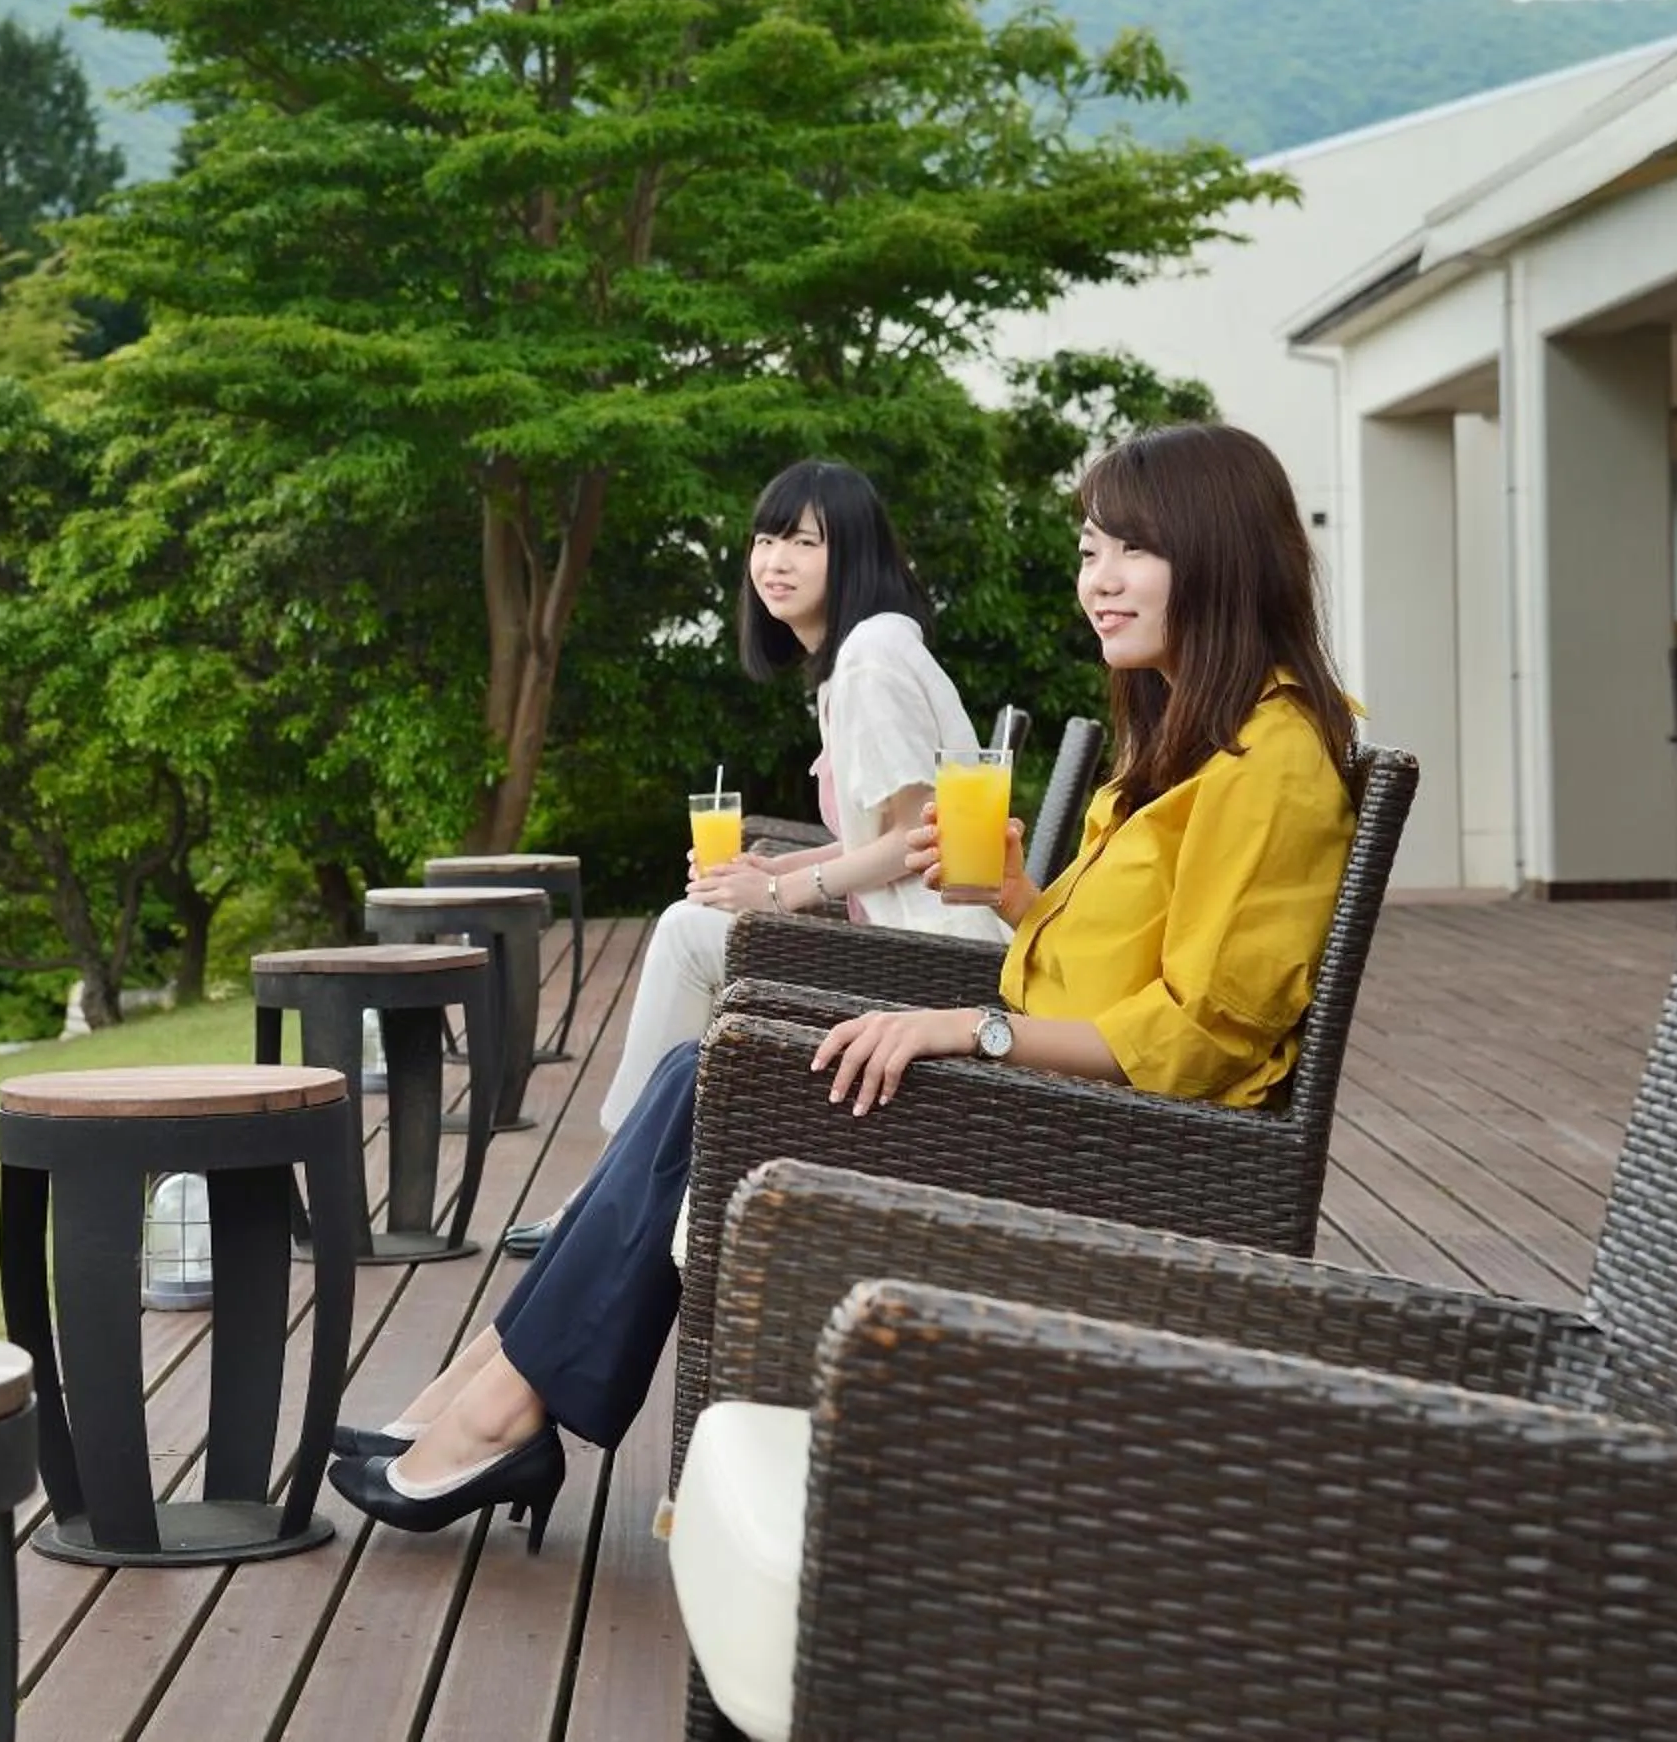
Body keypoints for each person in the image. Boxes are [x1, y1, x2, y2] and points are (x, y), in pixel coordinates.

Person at [328, 420, 1361, 1549]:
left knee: (714, 1081)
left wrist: (971, 1031)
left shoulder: (1271, 765)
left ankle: (496, 1406)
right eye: (1088, 551)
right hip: (1060, 1100)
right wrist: (1024, 899)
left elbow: (1202, 1038)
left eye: (1133, 551)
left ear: (1221, 552)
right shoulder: (1192, 737)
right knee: (699, 1071)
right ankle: (493, 1393)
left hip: (1113, 1148)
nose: (1098, 581)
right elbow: (1121, 962)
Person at [500, 459, 1004, 1259]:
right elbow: (889, 829)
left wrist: (782, 896)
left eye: (804, 542)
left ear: (855, 552)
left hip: (937, 969)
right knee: (698, 923)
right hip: (912, 949)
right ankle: (621, 1188)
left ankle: (608, 1191)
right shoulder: (861, 656)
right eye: (766, 540)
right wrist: (777, 874)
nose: (775, 561)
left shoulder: (871, 662)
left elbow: (917, 842)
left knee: (686, 930)